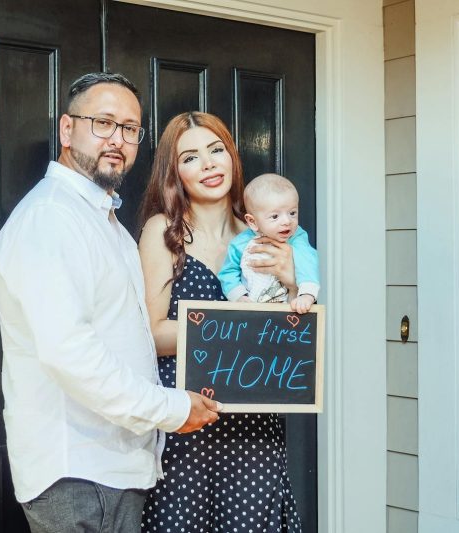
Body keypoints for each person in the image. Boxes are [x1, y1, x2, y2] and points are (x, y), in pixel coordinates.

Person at [0, 73, 222, 533]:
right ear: (66, 129)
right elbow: (69, 352)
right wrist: (171, 410)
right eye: (103, 122)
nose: (118, 139)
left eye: (130, 128)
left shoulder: (105, 222)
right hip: (76, 472)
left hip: (112, 469)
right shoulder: (50, 218)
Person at [137, 111, 303, 532]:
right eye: (190, 157)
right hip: (185, 421)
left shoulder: (266, 234)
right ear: (174, 173)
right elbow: (152, 334)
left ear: (232, 157)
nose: (209, 164)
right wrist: (233, 328)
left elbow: (289, 340)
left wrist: (290, 283)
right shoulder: (163, 232)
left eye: (216, 150)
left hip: (253, 423)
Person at [217, 173, 320, 313]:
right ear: (252, 222)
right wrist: (239, 297)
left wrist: (306, 295)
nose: (287, 221)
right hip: (252, 311)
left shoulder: (297, 237)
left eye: (292, 213)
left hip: (287, 311)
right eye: (275, 216)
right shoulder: (240, 244)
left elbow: (308, 261)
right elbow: (228, 272)